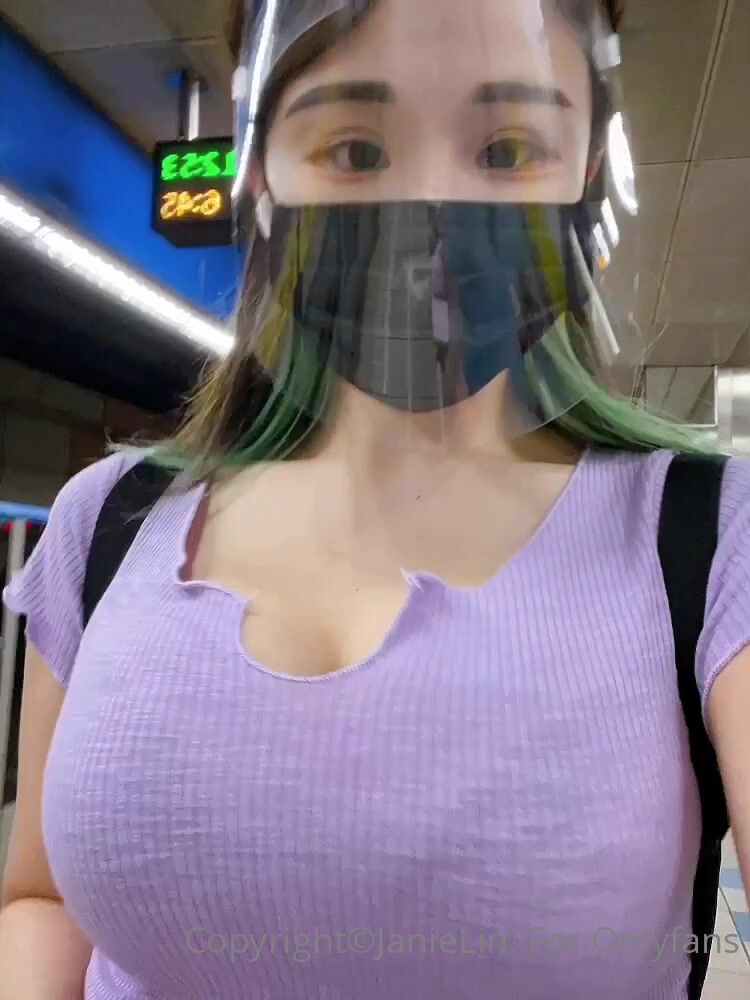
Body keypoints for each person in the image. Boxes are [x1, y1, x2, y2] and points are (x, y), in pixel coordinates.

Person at [1, 1, 750, 998]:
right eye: (354, 151)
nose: (429, 219)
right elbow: (42, 896)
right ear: (262, 177)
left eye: (508, 149)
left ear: (585, 178)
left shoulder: (710, 538)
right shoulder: (107, 522)